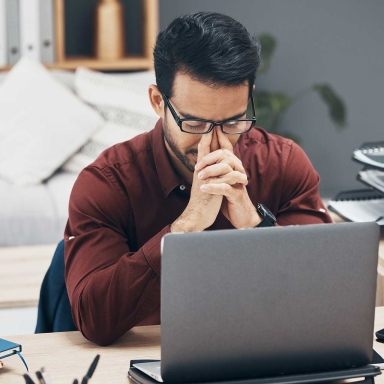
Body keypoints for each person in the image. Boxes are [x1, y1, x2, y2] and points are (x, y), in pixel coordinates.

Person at [64, 12, 332, 346]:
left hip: (264, 352)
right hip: (151, 360)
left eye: (233, 121)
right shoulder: (106, 183)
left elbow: (325, 296)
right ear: (158, 102)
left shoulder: (283, 164)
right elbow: (95, 320)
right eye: (194, 123)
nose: (215, 142)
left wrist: (254, 225)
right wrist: (183, 229)